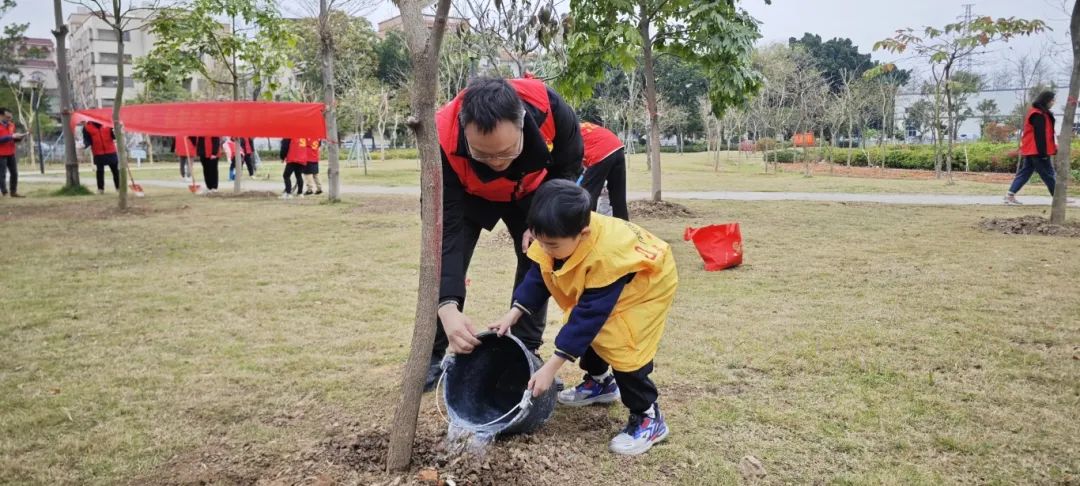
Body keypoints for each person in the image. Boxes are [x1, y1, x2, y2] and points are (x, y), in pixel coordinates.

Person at [489, 180, 678, 455]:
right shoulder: (555, 236)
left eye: (551, 245)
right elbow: (540, 274)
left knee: (624, 347)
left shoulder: (607, 257)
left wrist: (550, 369)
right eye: (539, 241)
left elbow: (589, 318)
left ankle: (649, 417)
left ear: (584, 233)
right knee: (588, 331)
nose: (544, 248)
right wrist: (513, 313)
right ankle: (601, 382)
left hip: (645, 286)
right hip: (608, 288)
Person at [428, 76, 584, 390]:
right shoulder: (441, 135)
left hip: (531, 193)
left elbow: (567, 168)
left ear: (524, 123)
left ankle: (525, 349)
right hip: (468, 195)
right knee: (445, 265)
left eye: (507, 151)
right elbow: (447, 230)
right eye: (484, 154)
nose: (498, 163)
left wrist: (541, 219)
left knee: (537, 258)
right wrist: (446, 304)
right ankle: (432, 354)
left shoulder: (551, 110)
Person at [1006, 90, 1058, 205]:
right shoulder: (1037, 114)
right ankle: (1058, 198)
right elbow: (1040, 135)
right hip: (1037, 151)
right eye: (1052, 100)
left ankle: (1009, 196)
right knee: (1049, 174)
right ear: (1047, 100)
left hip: (1032, 150)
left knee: (1025, 173)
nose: (1054, 102)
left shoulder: (1040, 113)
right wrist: (1043, 153)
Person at [580, 120, 629, 220]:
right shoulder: (580, 127)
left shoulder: (567, 132)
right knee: (618, 195)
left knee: (587, 195)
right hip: (617, 147)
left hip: (600, 152)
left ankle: (585, 224)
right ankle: (623, 225)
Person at [82, 121, 119, 194]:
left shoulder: (108, 124)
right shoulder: (87, 127)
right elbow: (87, 139)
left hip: (111, 151)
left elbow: (114, 136)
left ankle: (119, 188)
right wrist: (87, 146)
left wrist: (116, 132)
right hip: (98, 152)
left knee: (115, 171)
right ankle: (100, 189)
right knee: (100, 171)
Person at [0, 107, 26, 198]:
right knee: (2, 174)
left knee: (14, 173)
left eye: (10, 117)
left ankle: (13, 191)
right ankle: (4, 192)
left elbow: (12, 138)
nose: (9, 119)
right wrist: (11, 136)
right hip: (1, 154)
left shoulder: (11, 125)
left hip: (11, 152)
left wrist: (18, 138)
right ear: (1, 116)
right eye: (7, 117)